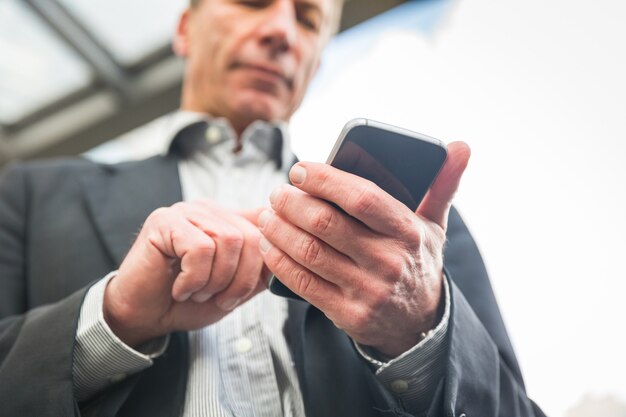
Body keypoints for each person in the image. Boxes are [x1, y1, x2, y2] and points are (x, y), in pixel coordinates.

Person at [0, 0, 546, 416]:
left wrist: (421, 334)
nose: (282, 32)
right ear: (186, 29)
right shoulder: (29, 193)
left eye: (308, 20)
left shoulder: (410, 227)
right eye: (253, 1)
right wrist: (113, 319)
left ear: (317, 58)